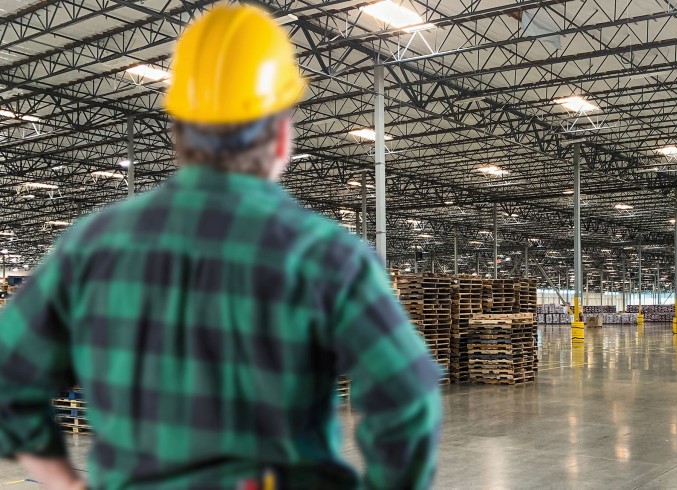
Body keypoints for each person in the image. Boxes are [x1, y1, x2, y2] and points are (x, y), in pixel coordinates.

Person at [0, 4, 443, 489]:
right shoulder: (328, 258)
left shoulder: (90, 249)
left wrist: (67, 483)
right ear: (280, 135)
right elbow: (407, 396)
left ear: (178, 131)